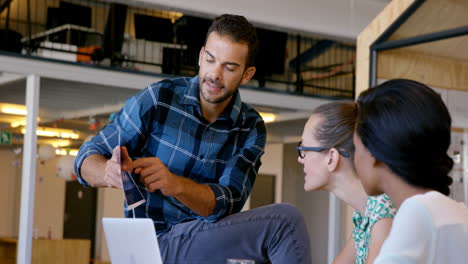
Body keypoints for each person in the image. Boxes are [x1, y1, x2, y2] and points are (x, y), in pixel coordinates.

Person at [74, 14, 311, 263]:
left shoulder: (250, 127)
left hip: (204, 241)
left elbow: (228, 202)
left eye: (229, 67)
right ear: (200, 56)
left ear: (247, 74)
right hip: (153, 243)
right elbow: (85, 159)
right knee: (285, 222)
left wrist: (174, 184)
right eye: (210, 60)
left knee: (268, 246)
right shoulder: (159, 99)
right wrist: (107, 172)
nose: (215, 74)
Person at [354, 79, 468, 264]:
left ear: (372, 151)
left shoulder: (418, 212)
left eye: (356, 148)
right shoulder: (458, 212)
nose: (355, 159)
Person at [297, 101, 396, 264]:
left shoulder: (383, 208)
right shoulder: (364, 214)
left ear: (332, 158)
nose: (300, 160)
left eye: (304, 149)